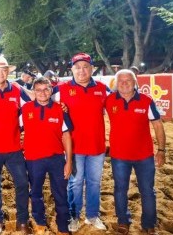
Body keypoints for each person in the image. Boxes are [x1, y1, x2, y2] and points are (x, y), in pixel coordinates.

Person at [52, 52, 110, 232]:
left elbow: (119, 106)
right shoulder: (60, 89)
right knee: (75, 183)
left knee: (94, 182)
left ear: (92, 68)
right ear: (72, 69)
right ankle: (74, 215)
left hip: (97, 146)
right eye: (77, 67)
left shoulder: (103, 89)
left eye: (85, 67)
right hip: (74, 147)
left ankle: (92, 215)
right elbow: (43, 103)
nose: (82, 70)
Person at [105, 70, 166, 235]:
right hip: (119, 156)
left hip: (144, 156)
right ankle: (123, 221)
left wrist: (161, 150)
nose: (124, 83)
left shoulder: (146, 101)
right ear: (116, 84)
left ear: (135, 82)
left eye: (128, 80)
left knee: (147, 190)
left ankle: (148, 223)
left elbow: (158, 125)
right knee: (120, 189)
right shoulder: (108, 100)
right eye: (121, 81)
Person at [0, 55, 33, 234]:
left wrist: (60, 105)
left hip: (14, 148)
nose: (0, 73)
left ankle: (23, 220)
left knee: (23, 184)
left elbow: (36, 102)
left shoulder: (17, 90)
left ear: (8, 72)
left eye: (4, 70)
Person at [20, 77, 74, 235]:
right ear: (34, 92)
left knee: (60, 192)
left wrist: (69, 161)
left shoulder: (59, 109)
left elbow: (66, 136)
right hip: (33, 159)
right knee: (35, 192)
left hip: (56, 158)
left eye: (46, 89)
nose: (42, 93)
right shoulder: (25, 109)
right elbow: (12, 127)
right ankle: (39, 221)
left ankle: (63, 225)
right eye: (38, 90)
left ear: (51, 90)